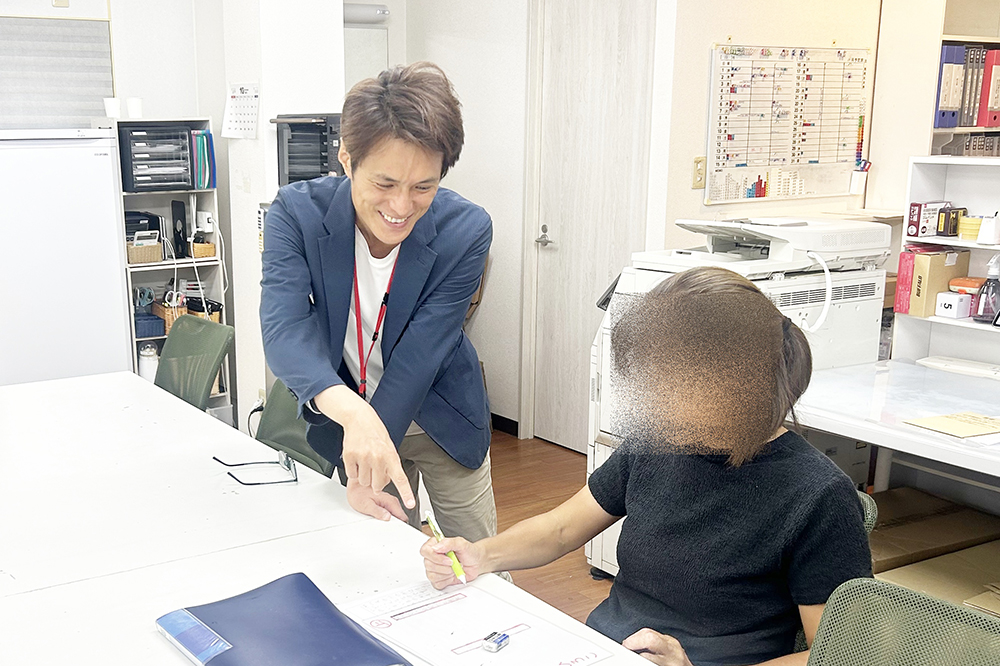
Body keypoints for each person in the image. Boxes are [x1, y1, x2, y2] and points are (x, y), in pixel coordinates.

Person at [421, 266, 873, 666]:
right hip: (603, 649)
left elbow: (837, 655)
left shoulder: (817, 496)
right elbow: (561, 529)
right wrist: (483, 554)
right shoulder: (656, 445)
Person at [260, 62, 497, 543]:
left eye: (423, 186)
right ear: (347, 159)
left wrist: (367, 432)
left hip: (443, 419)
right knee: (382, 560)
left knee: (477, 565)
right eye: (385, 184)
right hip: (353, 420)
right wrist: (354, 418)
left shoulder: (466, 231)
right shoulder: (295, 213)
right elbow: (284, 330)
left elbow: (421, 356)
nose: (402, 206)